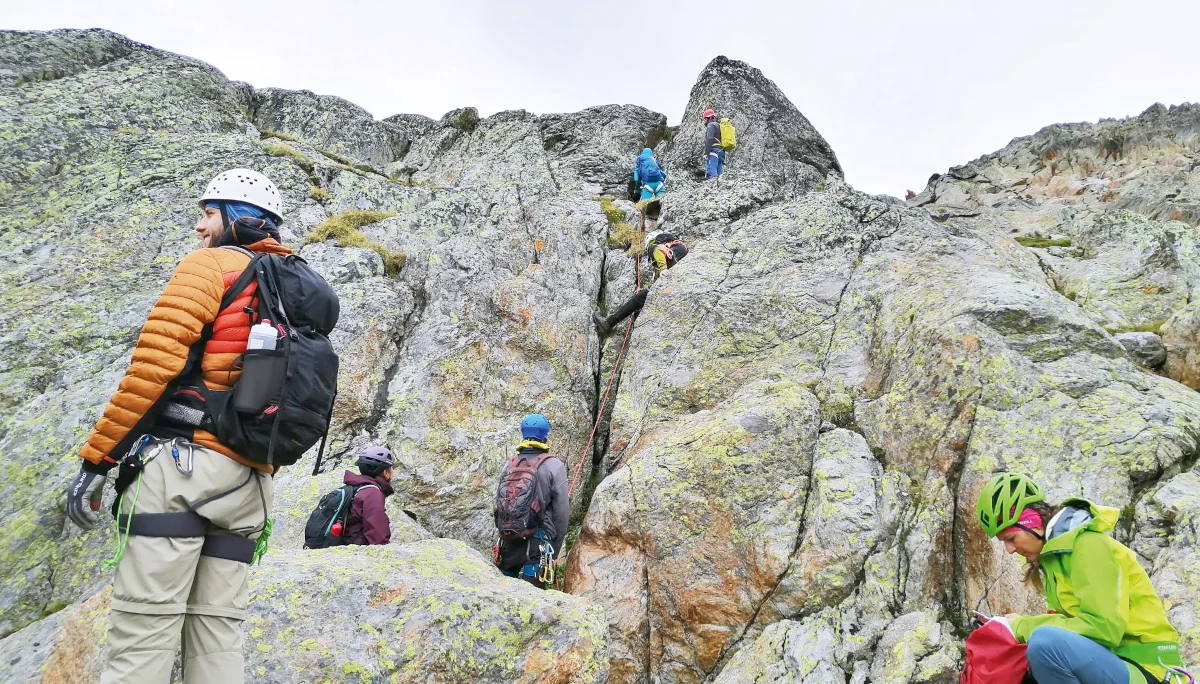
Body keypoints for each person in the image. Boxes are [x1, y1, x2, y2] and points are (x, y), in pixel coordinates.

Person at [64, 168, 290, 684]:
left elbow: (154, 367)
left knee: (143, 635)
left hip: (184, 472)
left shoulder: (210, 266)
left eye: (208, 213)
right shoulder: (297, 284)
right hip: (252, 483)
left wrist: (96, 460)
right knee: (217, 642)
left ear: (237, 219)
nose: (199, 227)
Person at [976, 473, 1190, 684]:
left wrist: (1022, 626)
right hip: (1115, 664)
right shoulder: (1056, 559)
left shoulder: (1088, 545)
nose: (1010, 550)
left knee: (1045, 645)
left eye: (1011, 538)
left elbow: (1103, 629)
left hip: (1148, 670)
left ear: (1033, 523)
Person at [493, 414, 569, 589]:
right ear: (545, 434)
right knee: (534, 599)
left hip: (508, 541)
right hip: (538, 544)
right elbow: (561, 513)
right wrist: (555, 550)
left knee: (504, 594)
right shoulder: (554, 466)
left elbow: (501, 503)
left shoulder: (510, 464)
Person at [591, 233, 687, 336]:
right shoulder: (679, 247)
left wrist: (663, 268)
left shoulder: (654, 246)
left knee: (637, 299)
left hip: (670, 282)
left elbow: (657, 250)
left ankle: (608, 323)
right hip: (679, 281)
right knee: (644, 296)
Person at [342, 446, 396, 545]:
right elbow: (378, 536)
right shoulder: (372, 493)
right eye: (391, 469)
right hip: (357, 552)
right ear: (385, 472)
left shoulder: (354, 487)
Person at [633, 148, 667, 231]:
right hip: (660, 185)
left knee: (644, 207)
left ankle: (644, 228)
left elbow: (636, 179)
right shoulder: (654, 162)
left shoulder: (640, 165)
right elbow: (664, 174)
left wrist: (638, 187)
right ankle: (661, 224)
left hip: (647, 186)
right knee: (662, 205)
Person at [701, 108, 725, 178]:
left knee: (711, 172)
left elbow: (710, 139)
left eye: (704, 119)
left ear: (709, 118)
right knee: (719, 174)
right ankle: (719, 187)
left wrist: (706, 153)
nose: (704, 121)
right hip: (721, 152)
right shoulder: (719, 126)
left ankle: (713, 187)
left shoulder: (711, 125)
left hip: (714, 151)